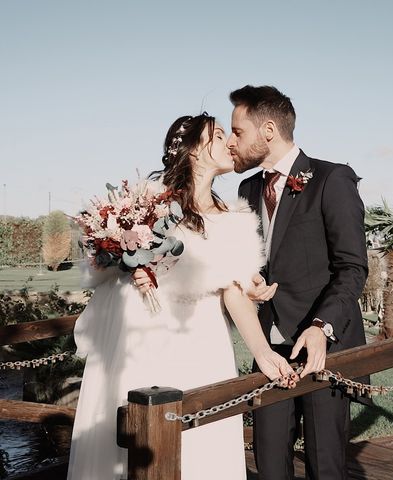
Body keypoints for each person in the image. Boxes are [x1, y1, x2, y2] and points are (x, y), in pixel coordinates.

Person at [67, 112, 297, 480]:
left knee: (202, 445)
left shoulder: (233, 217)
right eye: (219, 135)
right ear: (194, 150)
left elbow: (234, 293)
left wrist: (263, 353)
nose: (231, 142)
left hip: (203, 339)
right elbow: (105, 256)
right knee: (141, 435)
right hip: (144, 335)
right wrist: (133, 266)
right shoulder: (149, 202)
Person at [228, 85, 369, 480]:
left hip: (322, 345)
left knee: (325, 465)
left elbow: (352, 267)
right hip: (269, 349)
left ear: (268, 130)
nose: (232, 141)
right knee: (270, 464)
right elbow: (256, 262)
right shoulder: (247, 188)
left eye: (238, 131)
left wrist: (322, 327)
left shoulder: (332, 179)